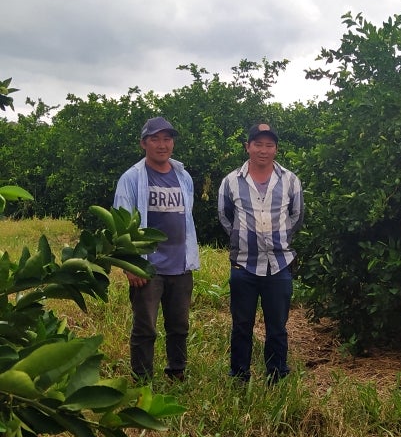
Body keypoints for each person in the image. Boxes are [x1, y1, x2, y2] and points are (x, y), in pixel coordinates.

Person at [113, 116, 200, 381]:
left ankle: (177, 372)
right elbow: (121, 222)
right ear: (144, 143)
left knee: (179, 325)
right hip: (148, 268)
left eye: (167, 138)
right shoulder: (131, 178)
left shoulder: (183, 176)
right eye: (155, 139)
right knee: (145, 327)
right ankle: (142, 379)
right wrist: (131, 265)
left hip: (180, 265)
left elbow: (187, 217)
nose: (162, 145)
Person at [218, 123, 304, 384]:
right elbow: (225, 217)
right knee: (241, 326)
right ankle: (239, 376)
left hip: (279, 265)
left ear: (276, 149)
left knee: (277, 327)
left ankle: (276, 375)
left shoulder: (290, 180)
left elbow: (296, 216)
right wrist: (243, 240)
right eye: (258, 144)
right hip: (243, 266)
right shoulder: (231, 181)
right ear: (248, 147)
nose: (263, 150)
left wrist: (280, 240)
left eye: (269, 145)